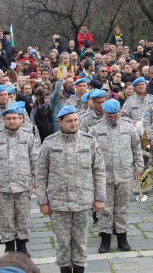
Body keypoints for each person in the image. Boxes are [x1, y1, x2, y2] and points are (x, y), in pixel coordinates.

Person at [36, 105, 106, 273]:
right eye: (69, 121)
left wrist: (100, 198)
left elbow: (99, 170)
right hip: (58, 203)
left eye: (76, 120)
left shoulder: (89, 141)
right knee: (62, 242)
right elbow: (41, 174)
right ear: (60, 122)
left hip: (83, 200)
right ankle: (65, 269)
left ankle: (80, 269)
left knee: (81, 241)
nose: (74, 124)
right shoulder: (50, 142)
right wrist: (42, 201)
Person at [88, 99, 144, 254]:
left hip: (125, 174)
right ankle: (105, 239)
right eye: (110, 115)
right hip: (104, 176)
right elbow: (91, 154)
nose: (113, 118)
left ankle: (122, 237)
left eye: (116, 115)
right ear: (104, 113)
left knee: (122, 208)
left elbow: (136, 148)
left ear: (120, 112)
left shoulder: (128, 127)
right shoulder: (95, 129)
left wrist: (139, 166)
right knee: (105, 209)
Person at [0, 102, 38, 257]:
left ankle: (22, 246)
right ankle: (9, 247)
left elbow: (35, 159)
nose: (12, 121)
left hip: (23, 184)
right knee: (5, 217)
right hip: (2, 185)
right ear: (4, 120)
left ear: (20, 119)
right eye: (8, 118)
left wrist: (36, 180)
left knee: (22, 216)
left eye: (15, 118)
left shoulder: (28, 136)